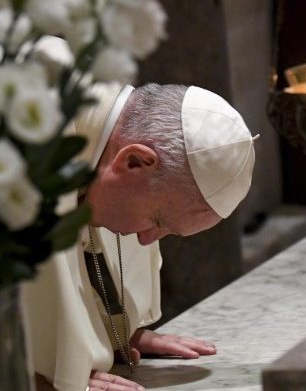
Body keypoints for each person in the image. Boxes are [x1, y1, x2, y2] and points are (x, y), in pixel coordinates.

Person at [22, 81, 256, 391]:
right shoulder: (26, 139)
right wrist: (41, 375)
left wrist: (110, 328)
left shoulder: (99, 133)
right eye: (158, 220)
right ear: (133, 162)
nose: (147, 239)